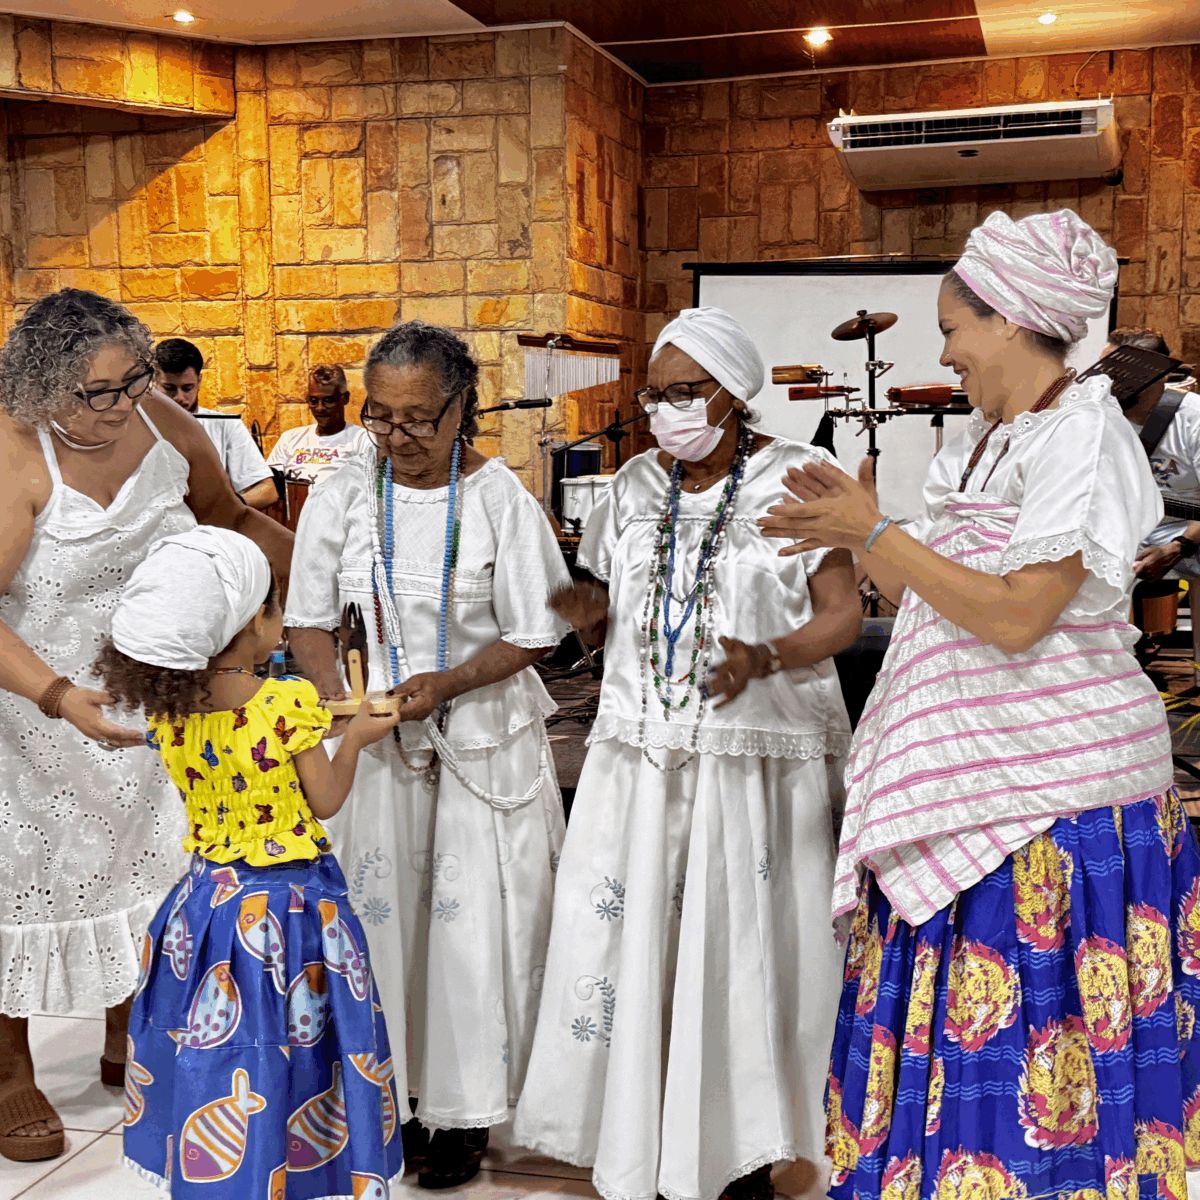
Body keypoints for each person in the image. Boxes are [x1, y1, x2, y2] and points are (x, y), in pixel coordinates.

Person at [760, 211, 1200, 1200]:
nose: (947, 351)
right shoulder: (994, 439)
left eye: (955, 327)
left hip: (1051, 803)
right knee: (970, 1055)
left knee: (1045, 1064)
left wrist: (875, 527)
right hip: (977, 785)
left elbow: (1017, 617)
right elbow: (947, 591)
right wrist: (854, 541)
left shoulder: (1083, 437)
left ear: (1014, 321)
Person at [513, 308, 862, 1200]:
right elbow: (598, 595)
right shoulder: (630, 485)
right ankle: (649, 1137)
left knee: (745, 952)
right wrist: (579, 612)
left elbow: (842, 617)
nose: (666, 410)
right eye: (655, 394)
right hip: (644, 755)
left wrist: (765, 656)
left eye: (683, 392)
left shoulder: (799, 479)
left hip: (757, 765)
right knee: (645, 948)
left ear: (734, 394)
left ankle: (751, 1145)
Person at [0, 288, 292, 1163]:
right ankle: (10, 1065)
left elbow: (231, 517)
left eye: (136, 377)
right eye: (100, 392)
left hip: (158, 704)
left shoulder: (163, 423)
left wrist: (325, 567)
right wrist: (55, 695)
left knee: (160, 870)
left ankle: (131, 1030)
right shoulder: (15, 456)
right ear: (44, 390)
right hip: (37, 709)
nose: (126, 402)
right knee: (31, 877)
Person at [284, 321, 571, 1188]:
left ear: (461, 409)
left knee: (467, 933)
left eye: (419, 419)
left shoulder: (500, 500)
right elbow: (306, 622)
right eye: (383, 417)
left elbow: (537, 629)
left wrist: (447, 684)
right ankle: (390, 1093)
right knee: (382, 927)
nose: (399, 438)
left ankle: (464, 1109)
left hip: (478, 740)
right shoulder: (343, 490)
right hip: (374, 743)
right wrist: (344, 702)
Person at [94, 526, 404, 1198]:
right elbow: (324, 801)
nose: (279, 617)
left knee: (224, 1047)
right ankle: (302, 1166)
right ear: (246, 626)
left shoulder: (172, 712)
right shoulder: (283, 705)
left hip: (205, 912)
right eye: (272, 606)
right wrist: (355, 740)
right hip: (292, 913)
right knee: (299, 1045)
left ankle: (233, 1175)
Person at [1108, 327, 1200, 678]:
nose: (1106, 381)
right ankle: (1113, 673)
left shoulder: (1193, 420)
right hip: (1128, 528)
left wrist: (1179, 546)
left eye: (1117, 371)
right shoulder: (1099, 418)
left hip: (1187, 533)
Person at [154, 338, 277, 512]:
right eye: (169, 388)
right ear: (153, 382)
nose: (179, 397)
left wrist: (224, 509)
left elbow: (267, 491)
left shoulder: (226, 425)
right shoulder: (134, 425)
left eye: (187, 388)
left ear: (199, 381)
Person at [268, 365, 372, 488]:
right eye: (313, 401)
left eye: (328, 400)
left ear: (344, 398)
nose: (320, 408)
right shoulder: (289, 438)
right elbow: (269, 485)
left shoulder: (363, 440)